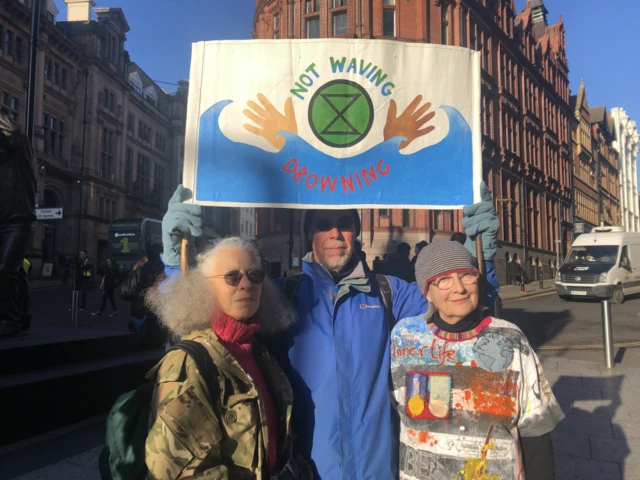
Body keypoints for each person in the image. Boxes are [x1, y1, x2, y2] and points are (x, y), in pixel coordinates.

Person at [161, 183, 500, 479]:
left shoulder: (390, 293)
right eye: (323, 225)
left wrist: (476, 259)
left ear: (357, 231)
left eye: (345, 224)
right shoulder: (282, 296)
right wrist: (178, 265)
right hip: (307, 473)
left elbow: (462, 311)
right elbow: (207, 317)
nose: (335, 234)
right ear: (310, 234)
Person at [391, 241, 563, 480]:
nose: (459, 288)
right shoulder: (404, 336)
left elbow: (536, 433)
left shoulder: (510, 338)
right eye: (443, 279)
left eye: (466, 276)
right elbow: (392, 415)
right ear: (426, 291)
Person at [144, 237, 312, 479]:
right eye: (232, 277)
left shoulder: (260, 351)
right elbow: (178, 470)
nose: (246, 284)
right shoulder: (189, 363)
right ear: (205, 288)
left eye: (255, 275)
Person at [0, 113, 36, 338]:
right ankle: (22, 315)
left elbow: (14, 131)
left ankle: (10, 319)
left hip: (17, 220)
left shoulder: (21, 154)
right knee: (15, 273)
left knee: (5, 270)